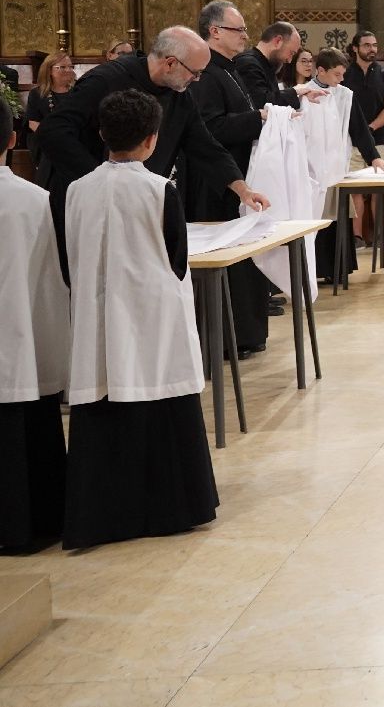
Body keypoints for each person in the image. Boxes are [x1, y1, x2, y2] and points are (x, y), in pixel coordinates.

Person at [61, 89, 218, 550]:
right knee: (158, 395)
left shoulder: (76, 189)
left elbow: (71, 255)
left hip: (96, 315)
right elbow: (176, 259)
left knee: (105, 395)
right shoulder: (159, 189)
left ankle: (104, 514)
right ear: (153, 140)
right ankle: (172, 508)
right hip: (151, 317)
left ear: (102, 134)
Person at [36, 27, 268, 284]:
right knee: (91, 285)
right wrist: (99, 180)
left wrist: (242, 189)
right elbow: (53, 131)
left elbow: (205, 146)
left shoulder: (181, 95)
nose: (198, 79)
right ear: (170, 63)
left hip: (137, 201)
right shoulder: (105, 80)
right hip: (86, 202)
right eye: (196, 72)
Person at [186, 0, 277, 353]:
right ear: (214, 31)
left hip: (239, 174)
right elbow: (212, 129)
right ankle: (226, 339)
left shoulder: (228, 69)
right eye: (238, 29)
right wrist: (260, 119)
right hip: (217, 184)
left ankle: (245, 334)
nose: (245, 36)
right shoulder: (207, 74)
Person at [0, 92, 70, 551]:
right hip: (20, 348)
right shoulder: (32, 200)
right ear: (11, 138)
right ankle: (33, 525)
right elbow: (48, 281)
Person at [300, 48, 384, 281]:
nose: (341, 79)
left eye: (343, 74)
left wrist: (373, 157)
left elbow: (359, 128)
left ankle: (335, 270)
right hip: (307, 169)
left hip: (335, 167)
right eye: (337, 74)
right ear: (320, 71)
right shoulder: (301, 94)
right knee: (311, 219)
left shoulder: (344, 95)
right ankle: (309, 271)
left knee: (336, 216)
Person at [342, 31, 384, 245]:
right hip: (350, 141)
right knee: (355, 189)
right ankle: (356, 236)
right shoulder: (345, 73)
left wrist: (371, 127)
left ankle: (379, 235)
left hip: (380, 138)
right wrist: (357, 131)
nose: (372, 49)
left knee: (378, 189)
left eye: (374, 45)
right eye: (366, 45)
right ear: (355, 48)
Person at [234, 22, 323, 111]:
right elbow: (261, 102)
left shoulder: (266, 64)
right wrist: (295, 92)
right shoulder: (248, 63)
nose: (289, 60)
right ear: (277, 41)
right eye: (291, 53)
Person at [24, 51, 76, 186]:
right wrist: (54, 137)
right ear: (49, 70)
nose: (68, 70)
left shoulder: (78, 91)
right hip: (47, 143)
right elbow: (32, 122)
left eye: (70, 66)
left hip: (75, 142)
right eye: (62, 67)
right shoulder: (37, 93)